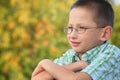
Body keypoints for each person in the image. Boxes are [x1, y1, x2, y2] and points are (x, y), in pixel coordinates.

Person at [31, 0, 120, 80]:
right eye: (70, 27)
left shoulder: (112, 54)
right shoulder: (70, 55)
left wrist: (45, 63)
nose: (72, 35)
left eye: (81, 28)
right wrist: (77, 65)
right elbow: (37, 78)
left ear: (105, 34)